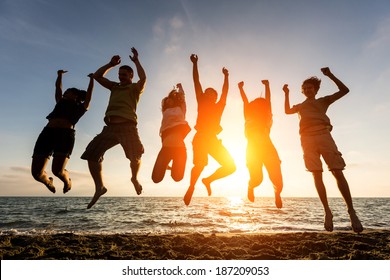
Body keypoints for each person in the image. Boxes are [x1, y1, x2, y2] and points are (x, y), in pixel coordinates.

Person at [283, 67, 363, 233]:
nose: (307, 90)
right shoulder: (299, 106)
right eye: (304, 88)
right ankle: (327, 211)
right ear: (302, 91)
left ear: (315, 89)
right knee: (316, 174)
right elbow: (286, 111)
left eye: (310, 88)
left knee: (337, 171)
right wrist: (286, 93)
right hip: (306, 139)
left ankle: (352, 212)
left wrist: (330, 75)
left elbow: (344, 90)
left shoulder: (323, 101)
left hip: (323, 135)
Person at [81, 47, 146, 209]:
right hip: (109, 128)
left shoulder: (135, 88)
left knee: (135, 156)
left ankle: (134, 178)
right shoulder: (115, 87)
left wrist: (136, 61)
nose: (121, 77)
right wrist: (111, 64)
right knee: (91, 154)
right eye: (119, 75)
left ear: (131, 76)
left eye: (124, 75)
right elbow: (97, 76)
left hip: (128, 127)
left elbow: (143, 77)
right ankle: (100, 187)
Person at [183, 54, 236, 206]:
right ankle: (191, 187)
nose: (209, 93)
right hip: (200, 137)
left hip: (213, 139)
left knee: (231, 166)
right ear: (204, 95)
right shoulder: (201, 101)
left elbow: (225, 91)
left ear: (215, 97)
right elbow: (196, 81)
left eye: (212, 93)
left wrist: (226, 76)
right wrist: (195, 64)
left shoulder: (220, 106)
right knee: (200, 165)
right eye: (206, 92)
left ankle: (208, 180)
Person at [31, 70, 94, 194]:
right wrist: (59, 76)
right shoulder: (60, 102)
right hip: (47, 133)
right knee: (36, 173)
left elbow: (89, 95)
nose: (65, 93)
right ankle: (48, 181)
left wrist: (92, 80)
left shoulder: (81, 107)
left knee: (57, 171)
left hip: (65, 136)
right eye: (66, 91)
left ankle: (67, 181)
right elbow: (58, 88)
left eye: (68, 92)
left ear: (75, 96)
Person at [238, 80, 283, 208]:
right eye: (256, 104)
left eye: (261, 104)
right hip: (252, 149)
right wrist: (241, 88)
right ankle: (250, 186)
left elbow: (268, 100)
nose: (258, 105)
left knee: (278, 181)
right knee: (257, 179)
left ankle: (277, 193)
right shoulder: (248, 114)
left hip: (268, 148)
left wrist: (267, 86)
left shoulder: (267, 114)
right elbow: (245, 101)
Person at [152, 83, 191, 183]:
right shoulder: (165, 112)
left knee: (177, 178)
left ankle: (171, 163)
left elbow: (182, 98)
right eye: (166, 101)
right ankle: (166, 163)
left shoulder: (181, 109)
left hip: (180, 149)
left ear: (174, 100)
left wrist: (180, 88)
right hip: (166, 148)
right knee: (156, 179)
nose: (167, 101)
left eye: (169, 99)